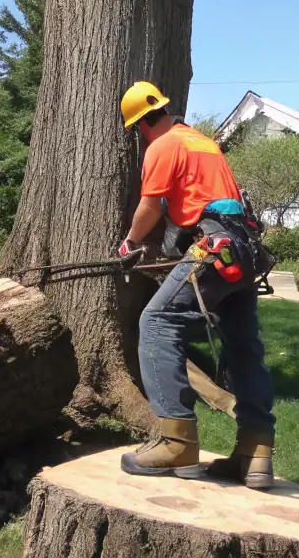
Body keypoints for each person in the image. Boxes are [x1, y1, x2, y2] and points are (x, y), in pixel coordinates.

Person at [116, 80, 276, 489]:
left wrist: (130, 243)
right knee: (243, 345)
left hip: (214, 247)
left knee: (157, 322)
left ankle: (177, 443)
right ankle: (256, 451)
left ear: (140, 125)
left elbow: (151, 206)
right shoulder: (203, 142)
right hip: (242, 249)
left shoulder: (162, 146)